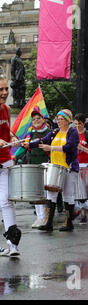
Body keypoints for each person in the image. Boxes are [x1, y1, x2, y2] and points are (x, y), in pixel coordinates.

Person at [29, 109, 80, 232]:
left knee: (67, 194)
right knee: (51, 193)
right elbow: (43, 141)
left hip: (69, 167)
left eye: (61, 119)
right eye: (57, 118)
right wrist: (29, 143)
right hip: (55, 167)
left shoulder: (72, 132)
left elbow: (70, 147)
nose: (58, 121)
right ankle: (48, 223)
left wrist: (51, 147)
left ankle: (68, 223)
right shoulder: (55, 132)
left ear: (68, 120)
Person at [14, 107, 52, 228]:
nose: (36, 120)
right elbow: (23, 147)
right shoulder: (30, 132)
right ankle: (39, 217)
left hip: (45, 163)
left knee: (45, 191)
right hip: (32, 162)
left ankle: (46, 217)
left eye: (38, 118)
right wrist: (14, 156)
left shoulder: (49, 132)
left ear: (43, 120)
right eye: (34, 119)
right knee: (35, 192)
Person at [0, 74, 22, 257]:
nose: (5, 92)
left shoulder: (6, 109)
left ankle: (12, 244)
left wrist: (12, 139)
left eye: (6, 88)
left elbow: (8, 135)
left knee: (7, 201)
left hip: (5, 161)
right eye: (1, 89)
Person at [73, 113, 88, 223]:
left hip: (85, 165)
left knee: (83, 190)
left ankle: (83, 214)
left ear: (84, 123)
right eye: (76, 124)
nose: (78, 127)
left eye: (80, 124)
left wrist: (82, 148)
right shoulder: (71, 133)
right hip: (73, 164)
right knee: (74, 190)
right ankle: (73, 212)